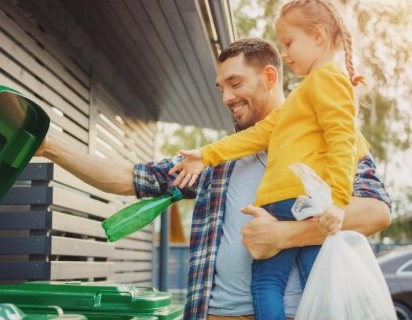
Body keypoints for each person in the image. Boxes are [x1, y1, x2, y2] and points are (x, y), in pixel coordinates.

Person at [35, 37, 392, 319]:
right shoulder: (215, 159)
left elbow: (376, 212)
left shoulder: (328, 139)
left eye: (235, 83)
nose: (226, 97)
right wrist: (52, 148)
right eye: (220, 87)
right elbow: (130, 177)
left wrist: (285, 235)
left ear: (270, 77)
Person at [168, 1, 377, 319]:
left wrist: (337, 201)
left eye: (289, 43)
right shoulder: (303, 93)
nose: (286, 54)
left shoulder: (327, 80)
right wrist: (206, 154)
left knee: (271, 284)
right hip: (286, 204)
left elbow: (342, 141)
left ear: (318, 35)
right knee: (313, 279)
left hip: (295, 203)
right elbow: (260, 134)